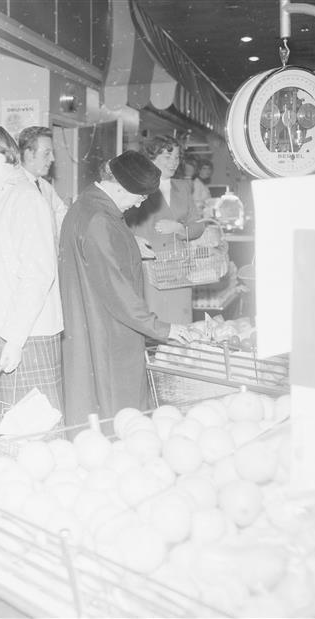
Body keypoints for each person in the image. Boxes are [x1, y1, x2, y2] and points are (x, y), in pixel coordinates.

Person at [59, 150, 193, 426]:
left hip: (93, 324)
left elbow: (101, 258)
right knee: (120, 416)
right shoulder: (100, 220)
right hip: (108, 333)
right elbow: (118, 292)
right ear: (120, 186)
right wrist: (164, 329)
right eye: (140, 197)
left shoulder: (86, 206)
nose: (139, 204)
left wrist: (131, 245)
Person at [0, 124, 63, 411]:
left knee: (33, 440)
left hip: (25, 336)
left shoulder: (26, 200)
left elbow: (37, 276)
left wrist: (15, 339)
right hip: (1, 331)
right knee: (1, 434)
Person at [124, 136, 205, 323]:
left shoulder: (183, 188)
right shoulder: (136, 187)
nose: (174, 162)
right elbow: (123, 226)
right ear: (151, 158)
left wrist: (180, 228)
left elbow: (198, 226)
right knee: (154, 323)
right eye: (168, 157)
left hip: (179, 269)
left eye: (177, 157)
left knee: (180, 325)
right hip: (150, 270)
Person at [18, 126, 69, 245]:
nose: (52, 158)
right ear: (29, 155)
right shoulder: (13, 187)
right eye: (47, 153)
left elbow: (63, 217)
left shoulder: (45, 187)